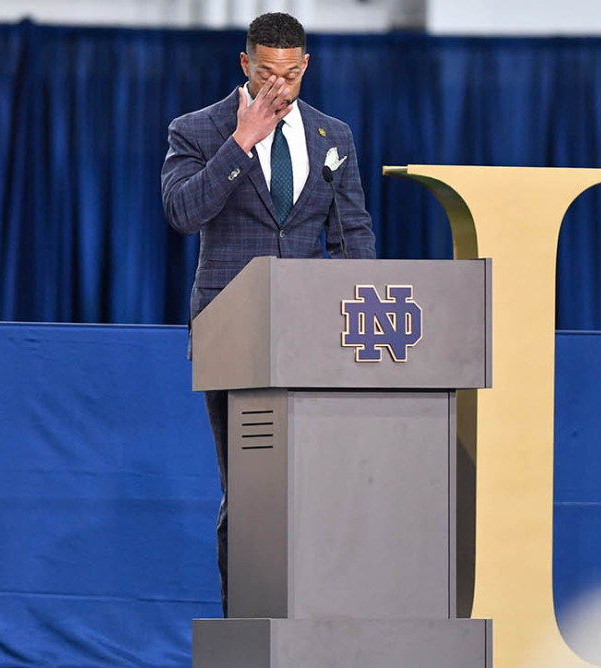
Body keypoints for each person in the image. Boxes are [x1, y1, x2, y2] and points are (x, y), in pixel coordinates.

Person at [160, 11, 376, 615]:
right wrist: (242, 142)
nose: (277, 89)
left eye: (288, 75)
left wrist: (359, 326)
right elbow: (182, 212)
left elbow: (352, 235)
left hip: (313, 343)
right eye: (264, 75)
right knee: (250, 495)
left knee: (313, 494)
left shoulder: (334, 137)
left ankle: (311, 622)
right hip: (234, 339)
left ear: (305, 66)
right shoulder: (198, 130)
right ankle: (247, 629)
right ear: (244, 66)